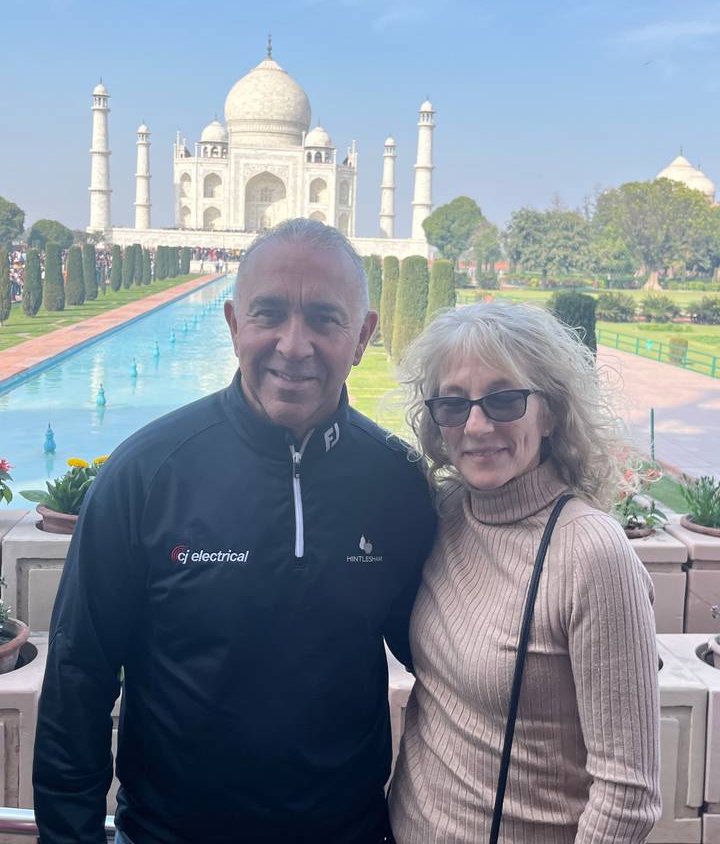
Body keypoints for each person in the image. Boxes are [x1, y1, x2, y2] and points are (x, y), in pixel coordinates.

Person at [33, 219, 436, 844]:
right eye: (269, 313)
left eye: (325, 318)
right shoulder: (147, 472)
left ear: (363, 336)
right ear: (232, 324)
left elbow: (443, 655)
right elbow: (78, 675)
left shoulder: (397, 482)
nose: (293, 344)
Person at [389, 300, 661, 844]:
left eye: (505, 399)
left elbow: (628, 797)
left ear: (552, 411)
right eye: (453, 404)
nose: (477, 425)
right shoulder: (443, 516)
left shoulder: (589, 553)